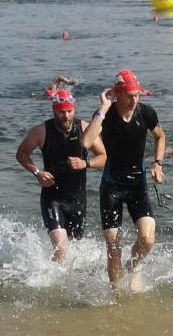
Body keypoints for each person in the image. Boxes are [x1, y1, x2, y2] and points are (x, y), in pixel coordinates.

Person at [81, 69, 166, 287]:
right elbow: (86, 142)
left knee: (148, 239)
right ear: (117, 95)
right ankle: (117, 295)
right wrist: (103, 107)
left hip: (138, 184)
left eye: (137, 95)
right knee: (113, 248)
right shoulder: (106, 115)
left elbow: (160, 136)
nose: (134, 100)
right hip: (112, 187)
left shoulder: (146, 113)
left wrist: (158, 163)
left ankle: (133, 265)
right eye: (129, 96)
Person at [16, 89, 106, 262]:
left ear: (74, 109)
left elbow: (104, 158)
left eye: (69, 111)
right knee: (60, 246)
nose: (66, 116)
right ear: (54, 110)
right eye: (61, 112)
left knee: (73, 252)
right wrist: (37, 172)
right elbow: (21, 153)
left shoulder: (85, 128)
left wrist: (86, 163)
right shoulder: (41, 131)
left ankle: (61, 276)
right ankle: (48, 278)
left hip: (78, 199)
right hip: (53, 197)